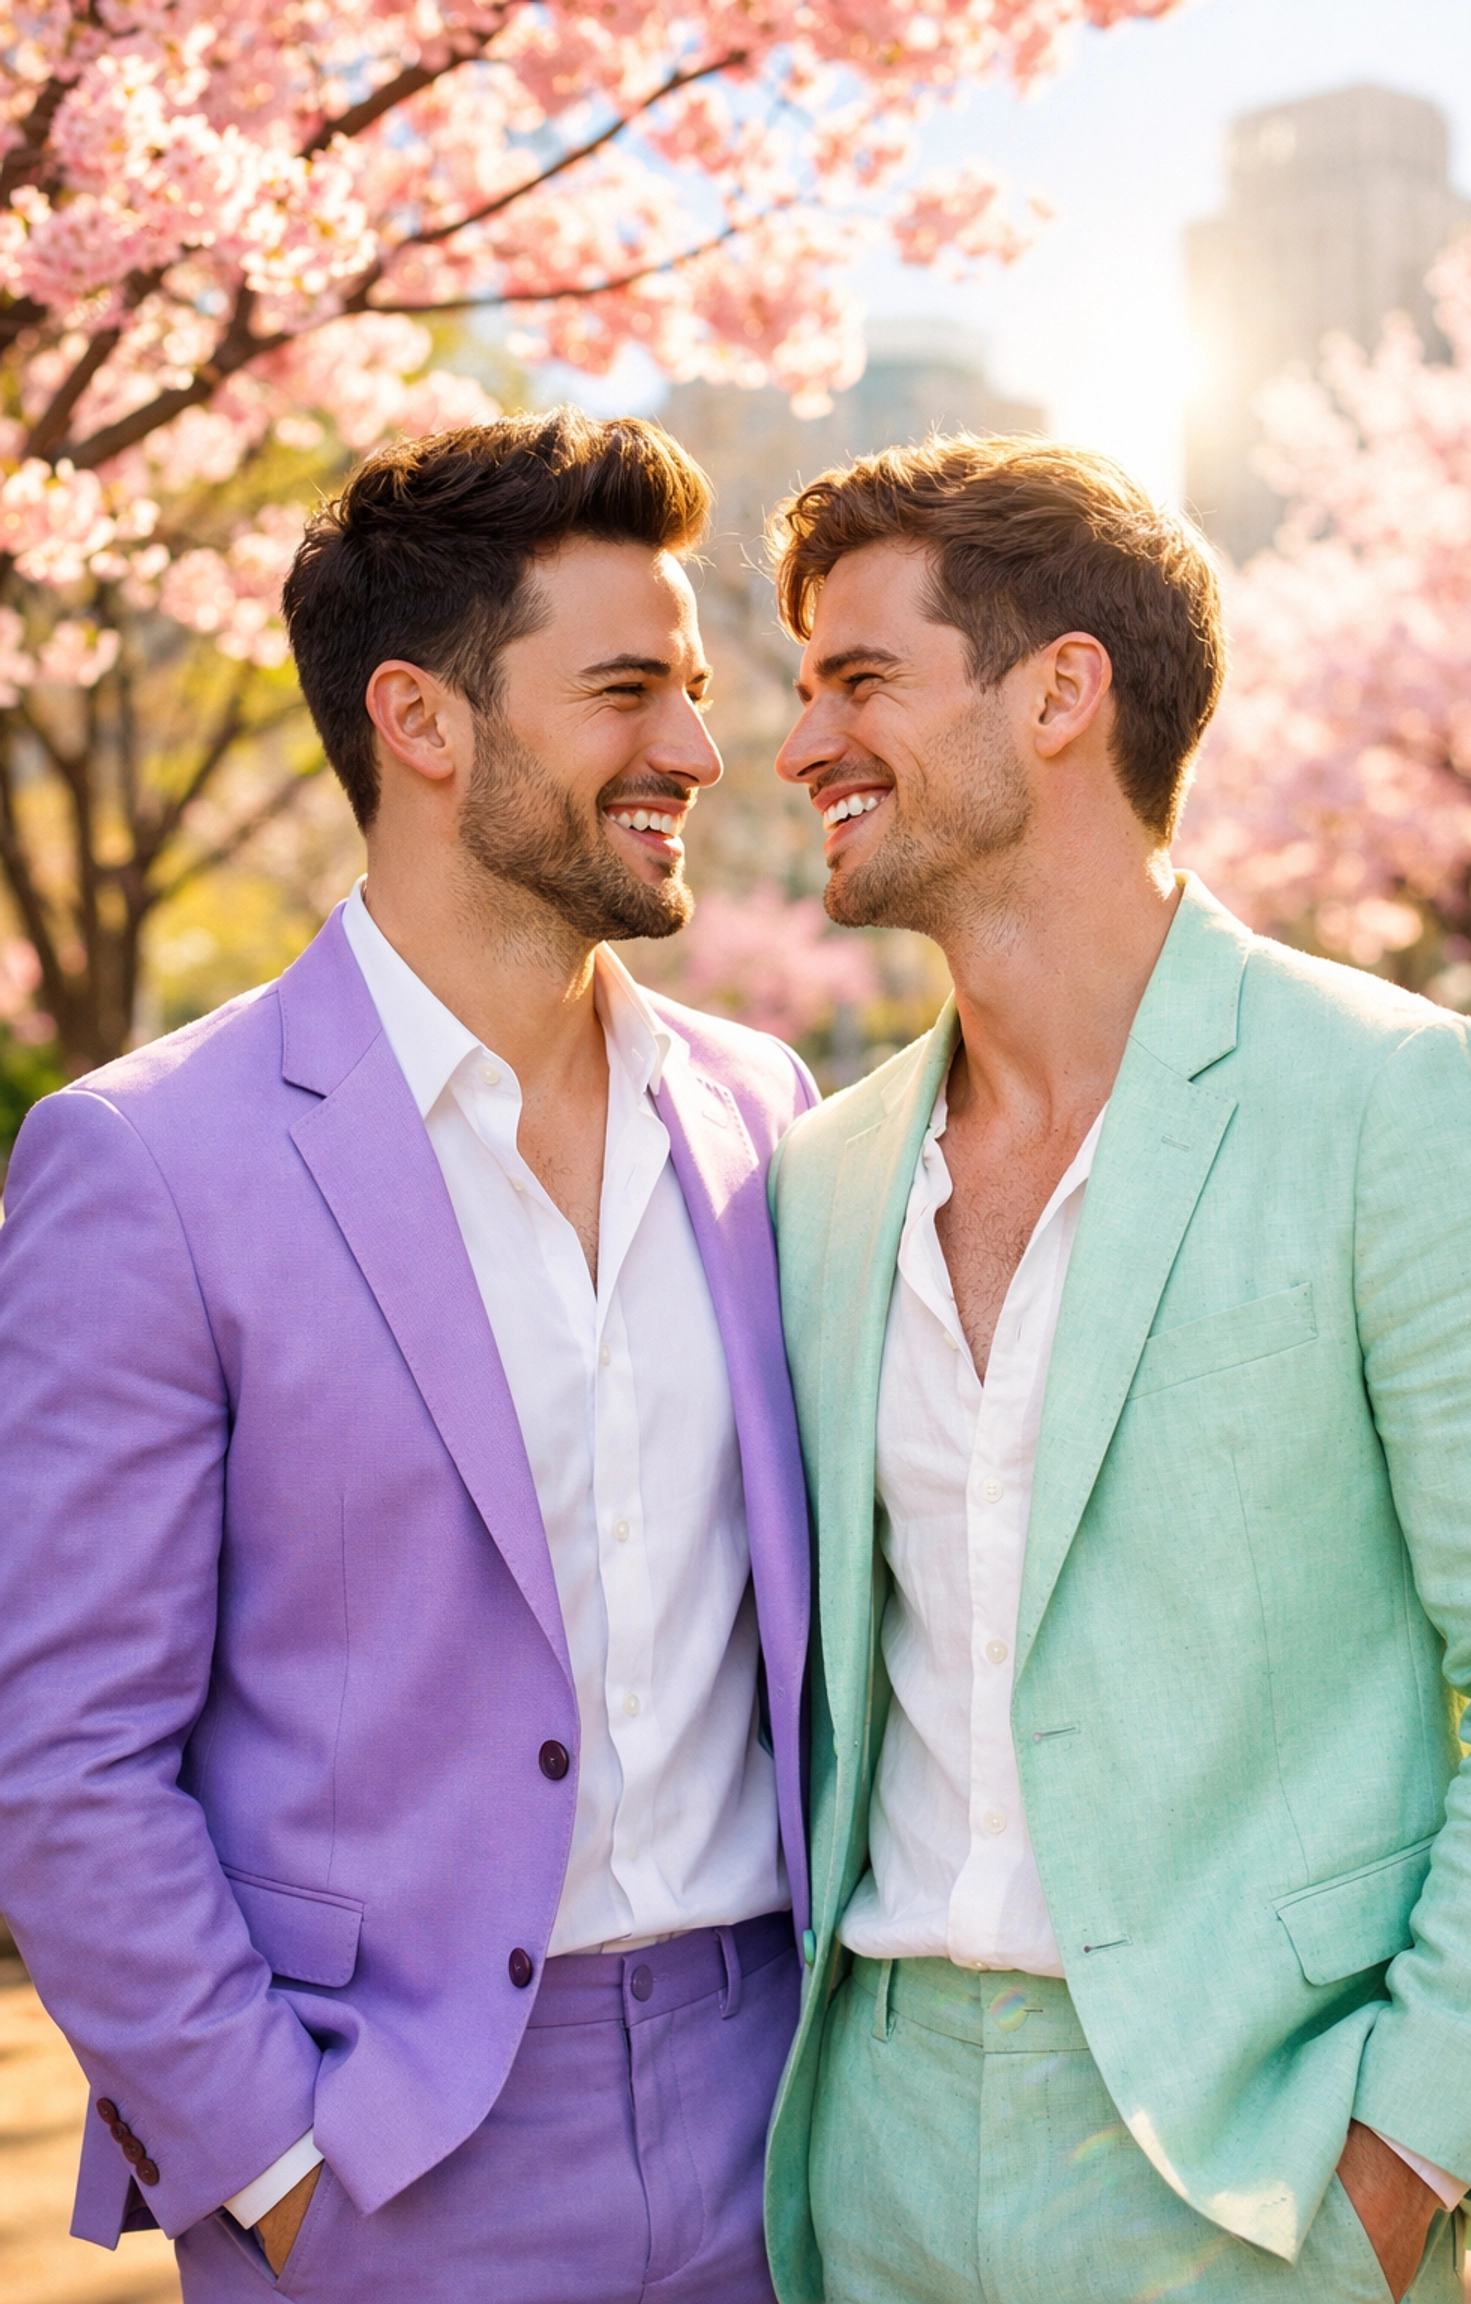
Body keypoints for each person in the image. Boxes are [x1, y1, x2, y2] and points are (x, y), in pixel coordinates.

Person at [0, 410, 814, 2303]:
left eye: (693, 693)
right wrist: (276, 2167)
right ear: (421, 720)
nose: (696, 752)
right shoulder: (148, 1161)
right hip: (392, 2158)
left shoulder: (765, 1114)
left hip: (778, 2118)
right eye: (626, 691)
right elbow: (65, 1751)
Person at [759, 434, 1471, 2304]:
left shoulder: (1390, 1102)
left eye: (861, 680)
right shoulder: (821, 1176)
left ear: (1060, 694)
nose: (797, 748)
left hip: (1252, 2175)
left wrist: (1405, 2154)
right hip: (868, 2152)